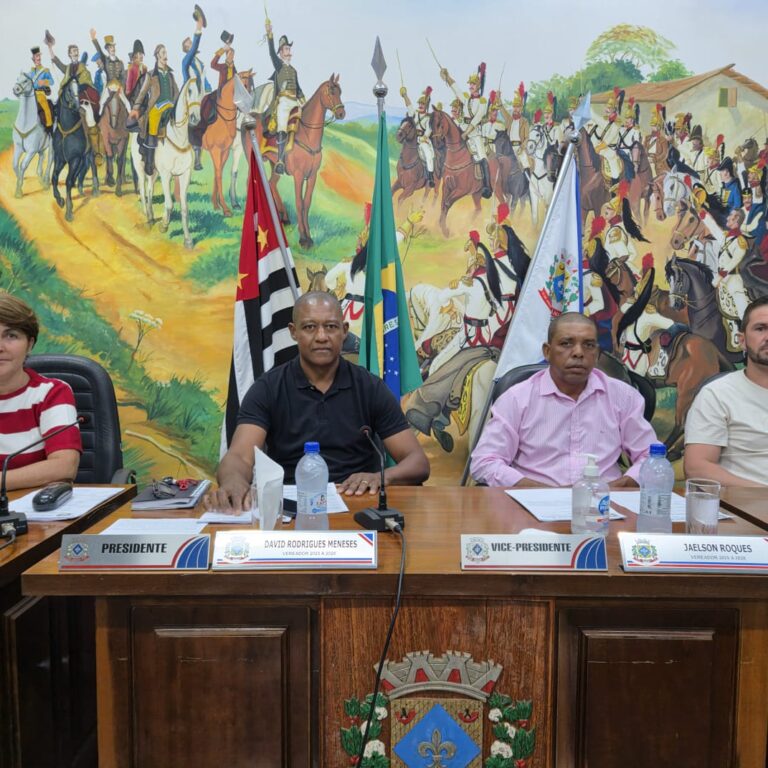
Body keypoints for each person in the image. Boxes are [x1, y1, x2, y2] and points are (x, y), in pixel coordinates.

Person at [207, 292, 430, 511]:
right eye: (309, 327)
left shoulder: (370, 387)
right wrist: (234, 481)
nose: (321, 336)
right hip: (291, 508)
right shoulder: (268, 388)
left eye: (331, 326)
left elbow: (417, 462)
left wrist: (381, 477)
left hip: (358, 504)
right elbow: (239, 457)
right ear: (293, 332)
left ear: (344, 331)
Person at [470, 312, 656, 487]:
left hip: (604, 502)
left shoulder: (623, 396)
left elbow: (651, 457)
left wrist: (618, 487)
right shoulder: (517, 398)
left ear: (597, 354)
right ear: (547, 351)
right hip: (532, 503)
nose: (578, 353)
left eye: (588, 345)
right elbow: (485, 461)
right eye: (566, 343)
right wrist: (537, 491)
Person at [684, 296, 768, 487]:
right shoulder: (718, 394)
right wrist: (763, 493)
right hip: (745, 503)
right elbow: (698, 468)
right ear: (742, 341)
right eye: (760, 328)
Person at [0, 293, 81, 490]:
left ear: (30, 344)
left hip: (33, 506)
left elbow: (64, 467)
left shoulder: (51, 393)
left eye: (11, 336)